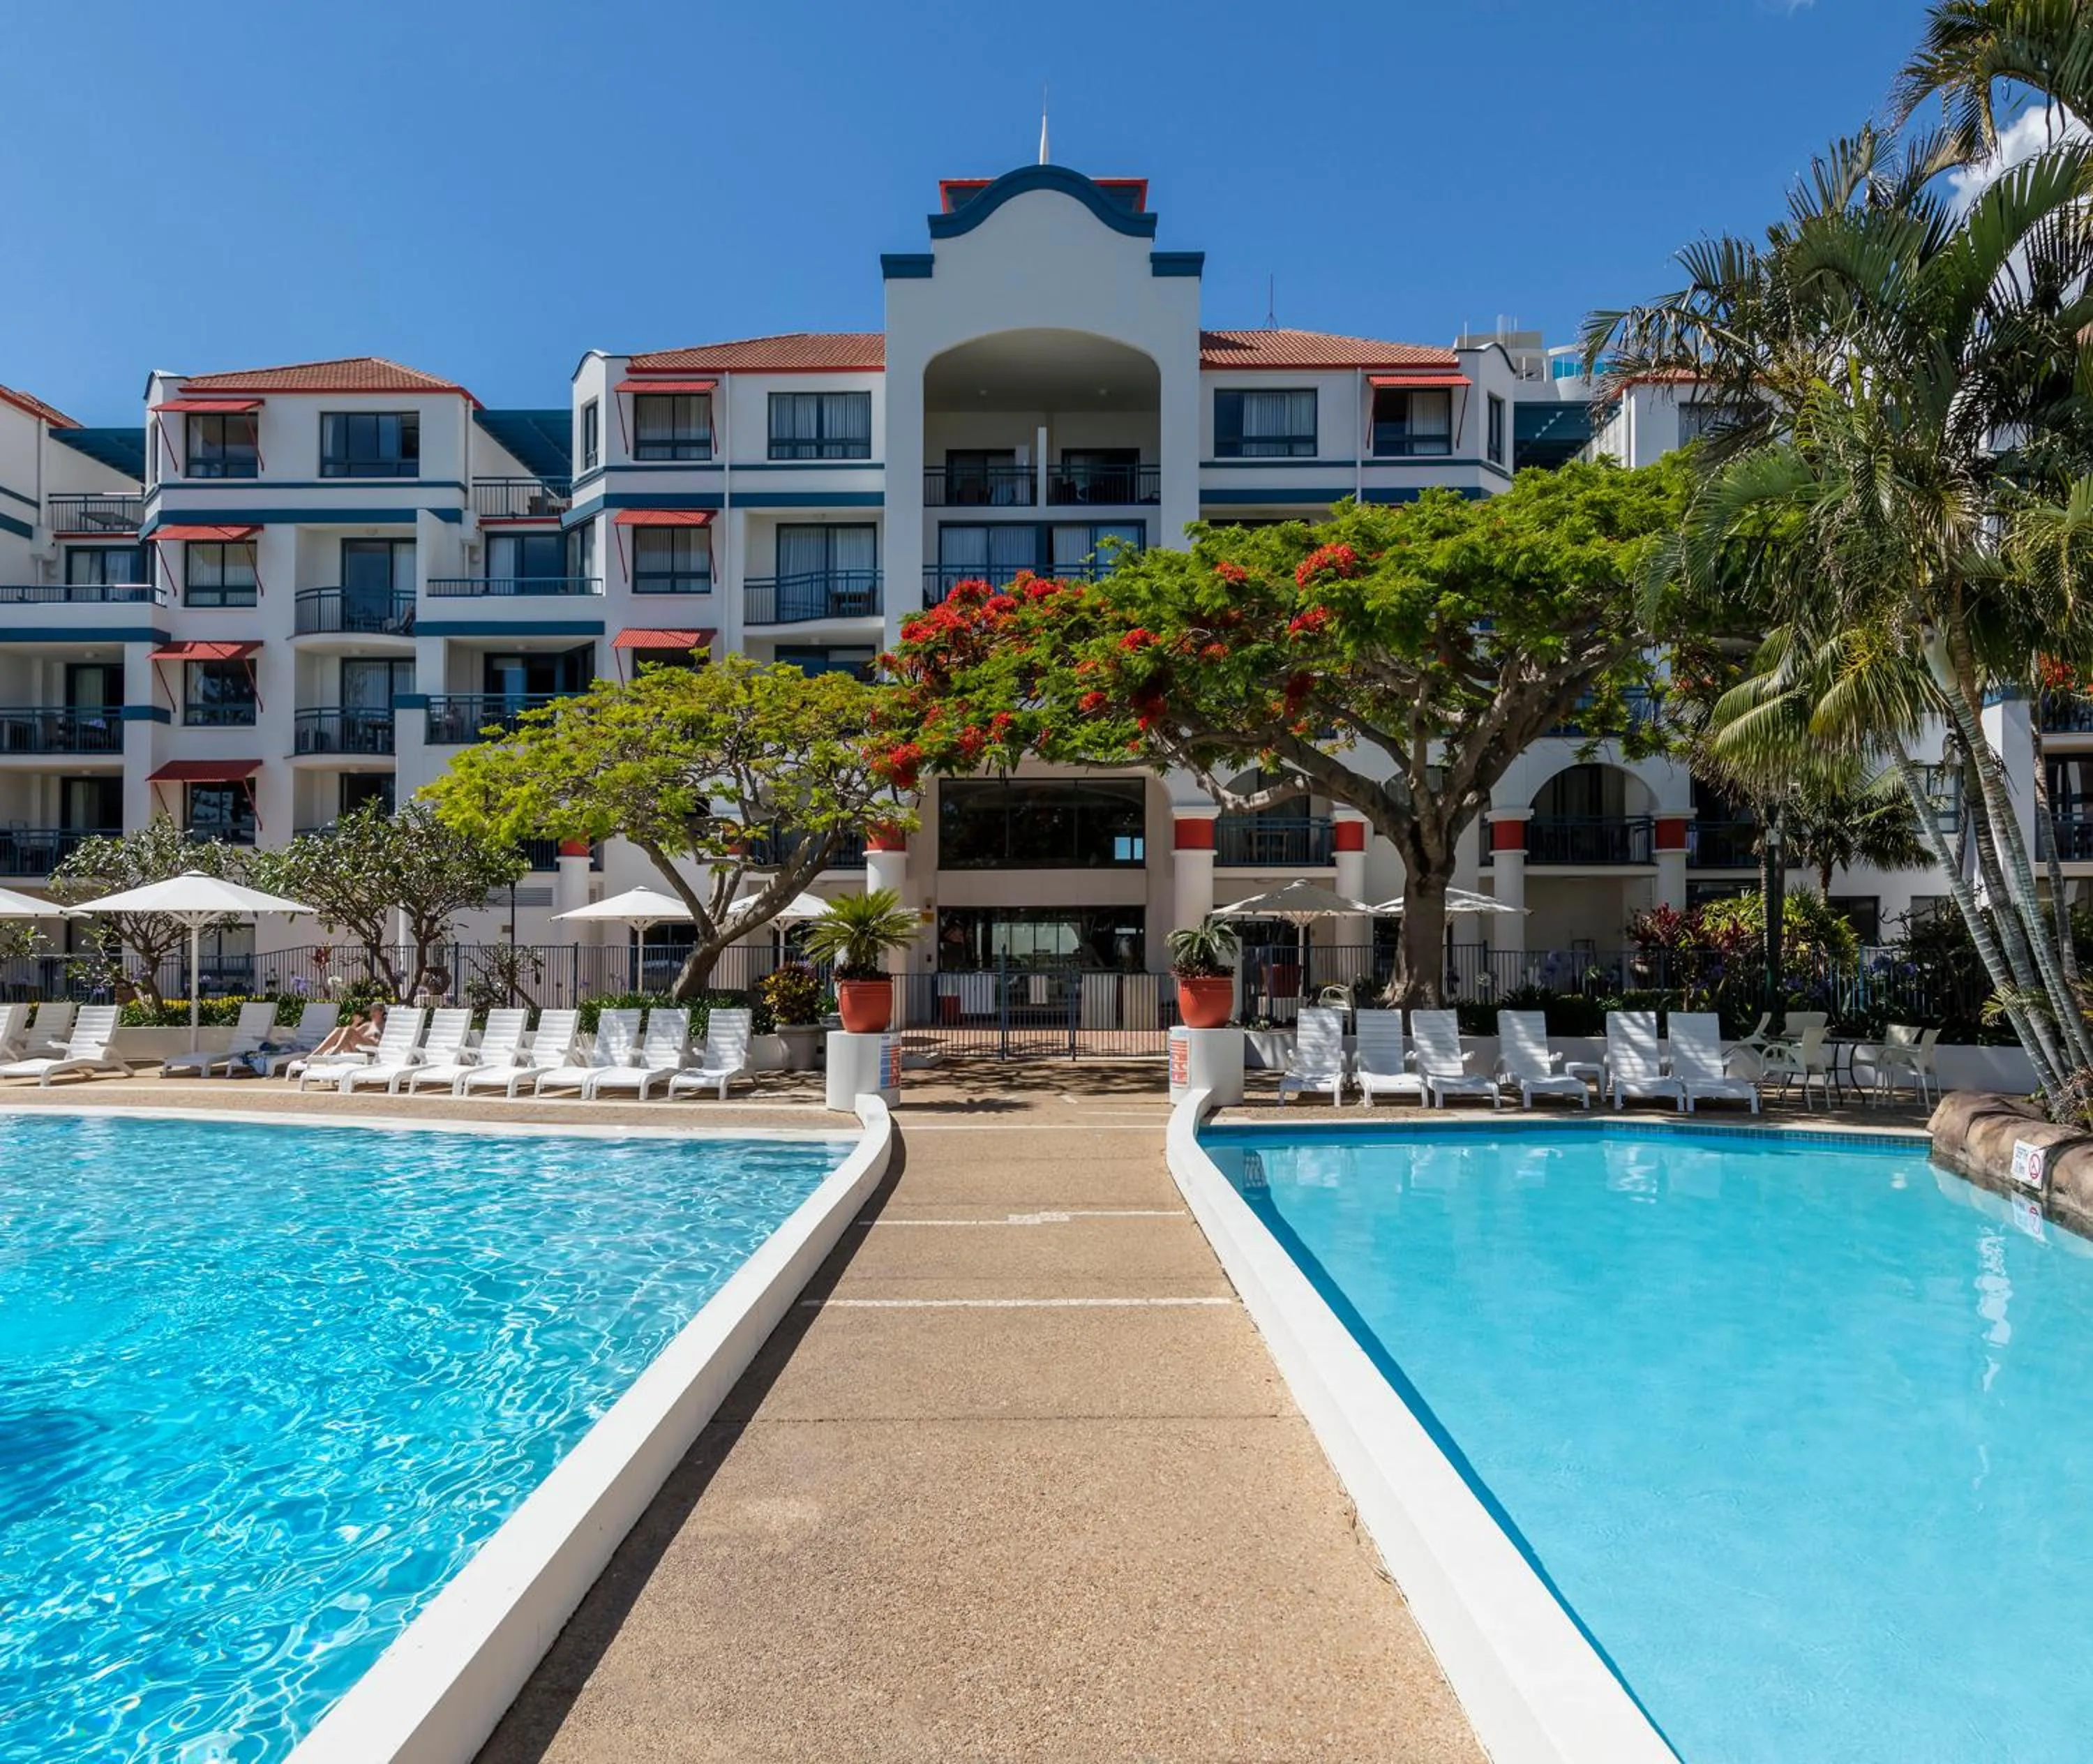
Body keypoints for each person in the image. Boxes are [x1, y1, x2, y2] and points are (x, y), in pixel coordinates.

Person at [307, 1003, 384, 1061]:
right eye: (371, 1011)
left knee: (349, 1030)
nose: (371, 1013)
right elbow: (347, 1033)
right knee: (339, 1030)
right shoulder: (367, 1025)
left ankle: (333, 1053)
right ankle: (313, 1055)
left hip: (371, 1051)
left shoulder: (386, 1026)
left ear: (382, 1011)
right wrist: (356, 1023)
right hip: (357, 1050)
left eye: (374, 1011)